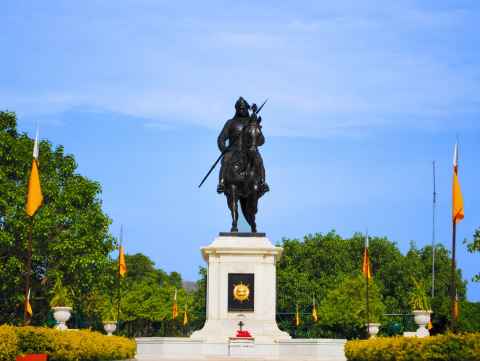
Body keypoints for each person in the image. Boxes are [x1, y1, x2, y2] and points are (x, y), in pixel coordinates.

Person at [217, 97, 268, 194]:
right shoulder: (230, 123)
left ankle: (263, 183)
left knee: (258, 160)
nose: (241, 110)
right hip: (233, 151)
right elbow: (221, 138)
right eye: (239, 108)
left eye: (243, 108)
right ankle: (222, 183)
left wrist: (257, 137)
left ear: (246, 108)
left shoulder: (252, 122)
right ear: (236, 109)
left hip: (249, 150)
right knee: (225, 159)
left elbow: (261, 140)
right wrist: (224, 149)